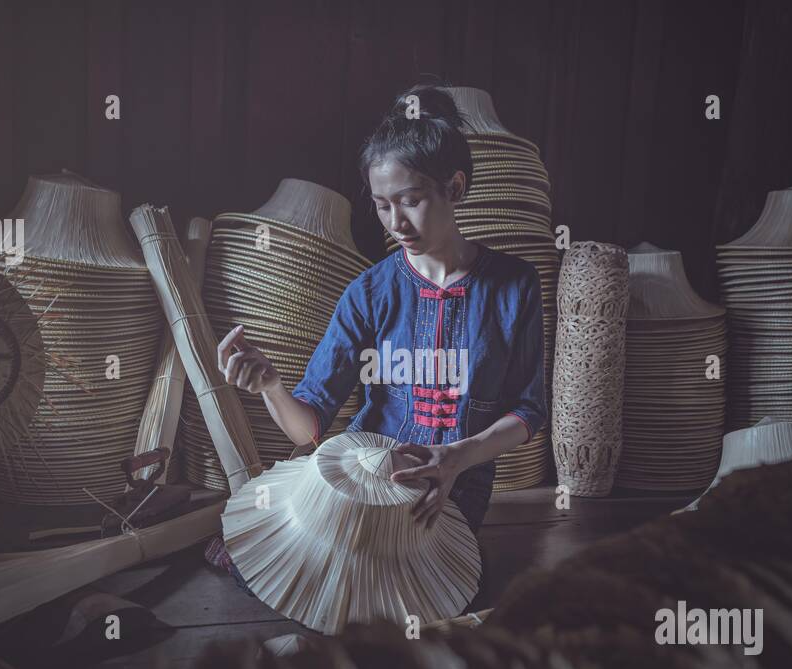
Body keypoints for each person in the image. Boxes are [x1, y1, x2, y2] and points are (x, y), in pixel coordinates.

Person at [215, 83, 547, 554]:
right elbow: (309, 428)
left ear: (454, 188)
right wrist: (271, 386)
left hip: (455, 490)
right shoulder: (368, 293)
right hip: (361, 477)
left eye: (410, 200)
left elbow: (529, 409)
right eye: (382, 204)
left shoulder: (515, 286)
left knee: (426, 593)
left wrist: (456, 457)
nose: (396, 223)